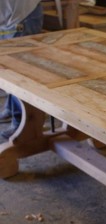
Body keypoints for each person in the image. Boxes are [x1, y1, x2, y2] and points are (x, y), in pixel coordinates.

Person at [0, 0, 43, 139]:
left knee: (20, 75)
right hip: (9, 16)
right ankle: (11, 108)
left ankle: (21, 122)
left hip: (23, 15)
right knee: (8, 69)